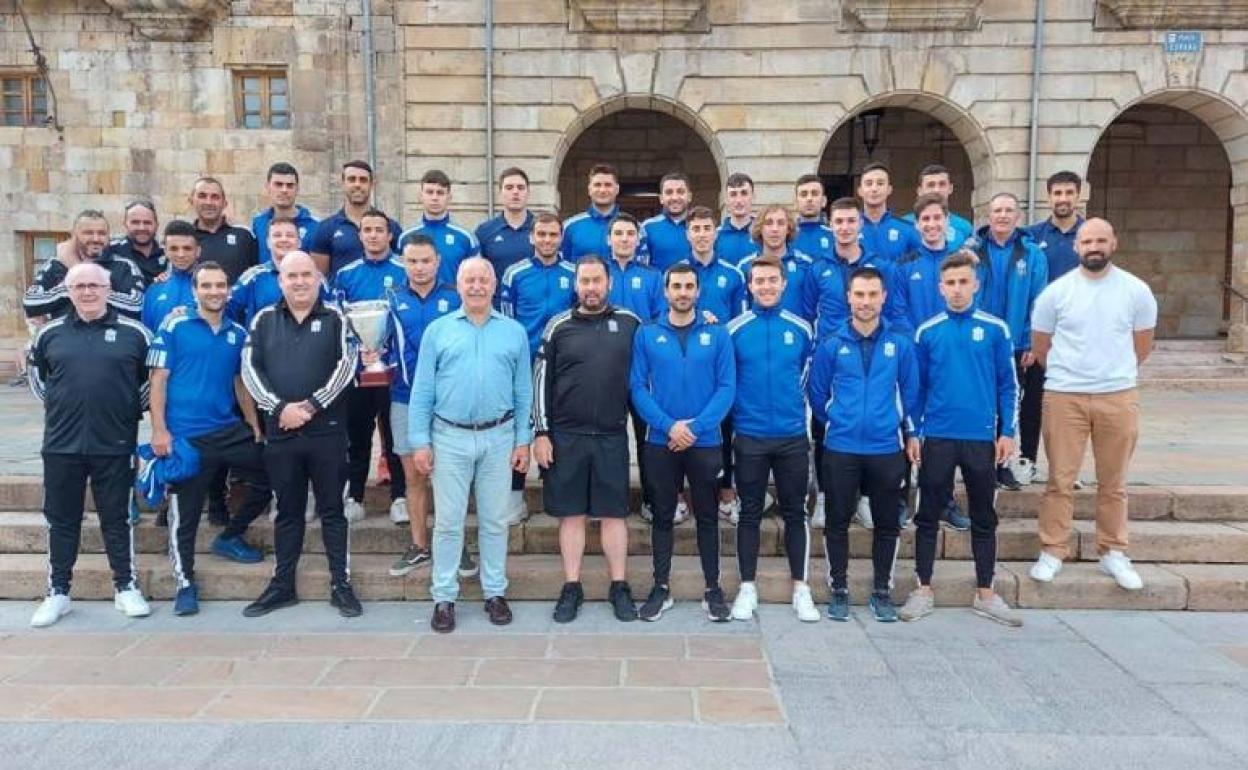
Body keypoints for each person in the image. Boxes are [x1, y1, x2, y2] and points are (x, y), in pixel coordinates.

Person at [1029, 218, 1157, 591]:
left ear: (1113, 243)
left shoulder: (1136, 291)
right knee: (1060, 479)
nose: (1094, 246)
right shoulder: (1056, 293)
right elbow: (1041, 346)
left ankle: (1113, 551)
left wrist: (1111, 375)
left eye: (1101, 240)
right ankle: (1053, 549)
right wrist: (1071, 376)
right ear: (1076, 247)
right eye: (1087, 241)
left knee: (1113, 481)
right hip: (1065, 395)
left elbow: (1142, 345)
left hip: (1117, 395)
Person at [28, 262, 153, 628]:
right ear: (68, 291)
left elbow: (148, 385)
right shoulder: (49, 334)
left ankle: (126, 587)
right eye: (79, 286)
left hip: (114, 444)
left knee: (116, 518)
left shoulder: (135, 333)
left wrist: (125, 409)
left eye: (94, 285)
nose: (87, 292)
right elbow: (40, 381)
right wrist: (62, 407)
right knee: (61, 519)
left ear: (107, 289)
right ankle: (58, 592)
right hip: (61, 445)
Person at [410, 258, 532, 633]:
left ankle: (495, 592)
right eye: (469, 280)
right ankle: (444, 597)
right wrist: (420, 440)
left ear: (494, 286)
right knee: (448, 522)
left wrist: (522, 441)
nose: (476, 286)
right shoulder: (438, 331)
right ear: (458, 285)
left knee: (495, 521)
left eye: (483, 280)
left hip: (499, 437)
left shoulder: (514, 332)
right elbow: (423, 389)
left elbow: (523, 391)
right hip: (450, 437)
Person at [900, 250, 1021, 626]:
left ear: (976, 284)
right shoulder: (927, 331)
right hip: (937, 436)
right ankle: (923, 589)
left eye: (963, 282)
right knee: (927, 516)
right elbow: (914, 390)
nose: (956, 289)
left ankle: (986, 592)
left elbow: (1008, 385)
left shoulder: (996, 329)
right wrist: (913, 431)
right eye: (950, 283)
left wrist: (1008, 431)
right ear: (940, 288)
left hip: (981, 438)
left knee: (984, 515)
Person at [240, 251, 361, 618]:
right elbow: (249, 369)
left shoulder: (338, 319)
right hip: (282, 435)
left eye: (306, 275)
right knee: (288, 512)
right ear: (280, 280)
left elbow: (348, 366)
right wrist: (279, 409)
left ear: (318, 278)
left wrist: (309, 407)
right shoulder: (263, 320)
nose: (299, 282)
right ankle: (282, 585)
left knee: (333, 511)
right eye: (291, 276)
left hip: (327, 433)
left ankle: (340, 583)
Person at [148, 260, 271, 616]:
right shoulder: (175, 324)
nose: (215, 291)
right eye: (207, 286)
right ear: (195, 290)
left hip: (228, 429)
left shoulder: (237, 332)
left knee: (270, 476)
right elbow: (158, 380)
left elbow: (240, 383)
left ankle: (230, 536)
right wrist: (159, 430)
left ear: (228, 289)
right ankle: (185, 583)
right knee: (185, 515)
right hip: (186, 437)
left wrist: (253, 425)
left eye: (220, 285)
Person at [533, 256, 643, 623]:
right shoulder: (557, 326)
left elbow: (647, 371)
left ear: (608, 284)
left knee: (614, 515)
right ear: (576, 284)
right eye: (585, 281)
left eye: (597, 281)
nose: (591, 288)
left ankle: (619, 586)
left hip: (612, 436)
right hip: (566, 438)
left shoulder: (630, 324)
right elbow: (541, 382)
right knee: (571, 515)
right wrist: (542, 433)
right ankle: (572, 586)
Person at [807, 266, 920, 622]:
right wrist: (839, 419)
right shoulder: (831, 345)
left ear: (884, 297)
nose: (866, 301)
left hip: (886, 449)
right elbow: (816, 393)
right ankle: (838, 588)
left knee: (887, 523)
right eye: (860, 294)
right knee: (837, 520)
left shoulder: (899, 344)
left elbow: (911, 395)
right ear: (849, 297)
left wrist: (908, 432)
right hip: (841, 447)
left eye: (873, 294)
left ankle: (881, 590)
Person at [630, 261, 736, 621]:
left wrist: (695, 428)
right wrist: (668, 426)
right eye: (676, 286)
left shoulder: (717, 334)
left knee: (707, 516)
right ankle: (661, 587)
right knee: (662, 516)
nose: (682, 293)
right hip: (661, 441)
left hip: (705, 442)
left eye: (688, 286)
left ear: (697, 291)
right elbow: (637, 387)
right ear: (665, 291)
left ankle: (712, 588)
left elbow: (726, 388)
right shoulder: (646, 334)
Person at [726, 256, 820, 623]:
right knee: (749, 513)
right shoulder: (735, 329)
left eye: (772, 281)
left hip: (792, 436)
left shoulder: (801, 329)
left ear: (783, 284)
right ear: (749, 286)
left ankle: (801, 587)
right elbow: (728, 380)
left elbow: (806, 380)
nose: (765, 286)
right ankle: (747, 587)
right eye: (759, 281)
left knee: (796, 513)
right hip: (749, 436)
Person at [809, 197, 911, 529]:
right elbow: (810, 311)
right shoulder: (819, 267)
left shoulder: (881, 266)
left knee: (875, 425)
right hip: (833, 354)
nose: (845, 227)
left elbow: (894, 310)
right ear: (831, 225)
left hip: (875, 349)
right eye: (838, 221)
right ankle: (825, 497)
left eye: (851, 221)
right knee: (824, 429)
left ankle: (866, 498)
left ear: (860, 224)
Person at [386, 234, 462, 578]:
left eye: (425, 261)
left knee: (452, 478)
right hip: (404, 399)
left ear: (437, 262)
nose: (419, 268)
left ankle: (454, 547)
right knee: (414, 477)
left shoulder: (454, 297)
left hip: (449, 402)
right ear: (403, 262)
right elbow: (378, 344)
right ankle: (419, 546)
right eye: (412, 261)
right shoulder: (390, 299)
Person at [499, 212, 576, 523]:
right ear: (532, 237)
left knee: (552, 426)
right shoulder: (513, 275)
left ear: (561, 238)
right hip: (523, 361)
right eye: (541, 234)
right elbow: (506, 319)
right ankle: (515, 495)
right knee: (519, 425)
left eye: (552, 235)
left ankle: (552, 490)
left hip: (562, 363)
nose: (547, 240)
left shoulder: (573, 273)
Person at [334, 207, 408, 525]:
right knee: (358, 434)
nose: (374, 235)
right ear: (360, 234)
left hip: (395, 370)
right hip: (358, 369)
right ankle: (355, 497)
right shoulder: (346, 274)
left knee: (395, 435)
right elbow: (339, 320)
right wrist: (358, 350)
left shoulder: (404, 269)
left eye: (380, 229)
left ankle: (400, 497)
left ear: (390, 234)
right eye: (368, 230)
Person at [969, 192, 1048, 490]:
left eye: (1008, 211)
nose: (1002, 215)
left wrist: (1031, 341)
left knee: (1009, 404)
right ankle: (979, 462)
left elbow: (1039, 301)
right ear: (988, 216)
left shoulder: (1031, 254)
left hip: (1015, 344)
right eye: (997, 210)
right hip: (979, 343)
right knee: (980, 402)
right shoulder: (974, 250)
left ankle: (1003, 464)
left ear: (1017, 217)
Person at [681, 206, 746, 525]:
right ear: (688, 233)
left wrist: (719, 326)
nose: (702, 234)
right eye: (696, 229)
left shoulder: (732, 274)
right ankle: (681, 496)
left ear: (715, 232)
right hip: (685, 364)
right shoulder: (677, 273)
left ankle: (726, 494)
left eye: (707, 228)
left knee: (724, 427)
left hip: (720, 361)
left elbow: (740, 319)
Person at [1020, 170, 1086, 487]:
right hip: (1043, 336)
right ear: (1048, 197)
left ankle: (1065, 468)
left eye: (1068, 193)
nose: (1062, 199)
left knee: (1070, 407)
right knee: (1033, 403)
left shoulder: (1089, 236)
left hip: (1077, 337)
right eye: (1057, 193)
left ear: (1078, 195)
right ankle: (1028, 462)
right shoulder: (1032, 236)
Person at [25, 209, 145, 322]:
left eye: (102, 233)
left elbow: (137, 306)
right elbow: (30, 303)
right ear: (74, 235)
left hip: (112, 339)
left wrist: (99, 290)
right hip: (65, 339)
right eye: (88, 233)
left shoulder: (124, 266)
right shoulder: (56, 265)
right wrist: (69, 289)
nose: (96, 238)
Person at [229, 217, 331, 327]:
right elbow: (228, 310)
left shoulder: (316, 278)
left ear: (299, 242)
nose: (284, 239)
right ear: (268, 242)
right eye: (277, 235)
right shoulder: (252, 278)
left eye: (290, 235)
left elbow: (331, 316)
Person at [308, 160, 402, 277]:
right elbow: (319, 277)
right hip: (342, 294)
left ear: (372, 185)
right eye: (352, 179)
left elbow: (401, 266)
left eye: (363, 180)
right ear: (343, 183)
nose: (357, 184)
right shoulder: (326, 228)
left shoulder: (391, 227)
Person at [399, 169, 479, 286]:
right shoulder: (405, 237)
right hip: (415, 302)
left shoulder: (466, 238)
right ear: (421, 196)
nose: (435, 198)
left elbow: (475, 275)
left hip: (454, 302)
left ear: (449, 197)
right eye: (430, 192)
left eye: (440, 193)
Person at [739, 205, 817, 323]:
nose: (774, 229)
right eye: (769, 223)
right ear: (760, 228)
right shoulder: (745, 266)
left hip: (795, 336)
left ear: (788, 228)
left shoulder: (806, 264)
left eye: (780, 223)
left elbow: (812, 308)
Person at [189, 177, 258, 285]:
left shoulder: (244, 236)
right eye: (202, 196)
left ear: (224, 203)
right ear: (191, 201)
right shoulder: (185, 238)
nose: (209, 202)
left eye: (215, 197)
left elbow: (258, 274)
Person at [476, 167, 535, 285]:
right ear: (500, 193)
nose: (515, 192)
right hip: (497, 302)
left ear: (528, 192)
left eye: (520, 187)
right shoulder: (484, 231)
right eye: (509, 188)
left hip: (533, 302)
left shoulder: (542, 230)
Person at [252, 162, 318, 265]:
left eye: (290, 185)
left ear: (297, 189)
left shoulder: (315, 225)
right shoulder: (258, 222)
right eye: (278, 184)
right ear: (268, 187)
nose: (284, 190)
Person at [141, 220, 199, 332]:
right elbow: (148, 335)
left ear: (198, 251)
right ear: (165, 251)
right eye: (174, 249)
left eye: (187, 248)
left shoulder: (212, 288)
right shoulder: (154, 290)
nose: (180, 254)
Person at [857, 162, 921, 263]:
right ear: (860, 191)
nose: (874, 189)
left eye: (880, 183)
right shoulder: (849, 229)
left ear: (889, 189)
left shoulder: (908, 229)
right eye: (869, 184)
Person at [900, 164, 973, 250]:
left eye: (942, 184)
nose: (937, 190)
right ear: (920, 191)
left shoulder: (965, 227)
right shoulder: (903, 225)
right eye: (931, 185)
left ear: (950, 188)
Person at [561, 163, 621, 262]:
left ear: (617, 189)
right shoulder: (570, 227)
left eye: (608, 185)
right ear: (589, 189)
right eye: (597, 185)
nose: (602, 190)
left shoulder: (633, 227)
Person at [104, 199, 167, 286]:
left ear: (156, 225)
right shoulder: (110, 250)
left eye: (147, 222)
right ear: (125, 224)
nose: (142, 228)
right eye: (135, 222)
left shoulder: (168, 254)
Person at [641, 171, 693, 271]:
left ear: (689, 196)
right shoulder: (647, 227)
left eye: (680, 192)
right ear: (661, 198)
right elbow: (642, 267)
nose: (675, 197)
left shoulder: (701, 227)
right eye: (669, 192)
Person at [714, 172, 757, 268]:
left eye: (744, 193)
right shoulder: (715, 236)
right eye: (733, 194)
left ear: (753, 197)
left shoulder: (764, 234)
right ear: (726, 199)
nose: (739, 200)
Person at [793, 174, 834, 262]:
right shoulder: (786, 235)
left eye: (814, 194)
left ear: (823, 201)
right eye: (804, 194)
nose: (809, 198)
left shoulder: (835, 234)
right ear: (795, 202)